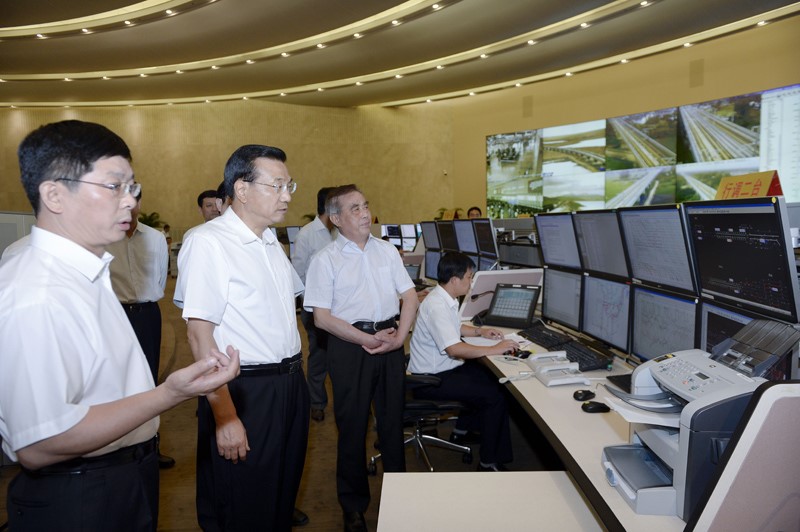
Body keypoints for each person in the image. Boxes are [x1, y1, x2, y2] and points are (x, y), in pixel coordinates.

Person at [0, 119, 239, 531]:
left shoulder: (85, 273)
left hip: (119, 477)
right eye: (114, 186)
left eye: (133, 187)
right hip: (80, 495)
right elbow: (40, 443)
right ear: (54, 194)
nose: (130, 201)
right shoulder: (35, 290)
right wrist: (170, 393)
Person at [175, 144, 309, 531]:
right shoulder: (209, 241)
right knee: (242, 504)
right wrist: (225, 416)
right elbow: (199, 336)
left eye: (289, 186)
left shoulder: (270, 241)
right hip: (244, 390)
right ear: (242, 189)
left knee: (279, 495)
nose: (286, 196)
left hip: (289, 384)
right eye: (277, 185)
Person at [304, 184, 419, 532]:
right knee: (352, 428)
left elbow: (410, 296)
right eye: (355, 208)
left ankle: (401, 496)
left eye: (366, 206)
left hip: (390, 342)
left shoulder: (387, 251)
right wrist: (366, 339)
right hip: (349, 347)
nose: (365, 213)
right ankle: (353, 507)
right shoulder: (325, 260)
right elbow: (322, 318)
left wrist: (400, 336)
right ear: (336, 218)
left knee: (392, 424)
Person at [408, 251, 517, 471]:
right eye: (469, 277)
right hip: (430, 380)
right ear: (454, 280)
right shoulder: (437, 305)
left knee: (489, 378)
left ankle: (462, 430)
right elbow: (454, 348)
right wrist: (495, 350)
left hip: (440, 370)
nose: (471, 282)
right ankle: (488, 462)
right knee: (494, 396)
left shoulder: (444, 297)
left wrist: (480, 331)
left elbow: (455, 327)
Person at [106, 190, 176, 469]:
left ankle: (150, 447)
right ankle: (116, 448)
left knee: (148, 380)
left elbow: (160, 279)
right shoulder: (104, 236)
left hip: (147, 314)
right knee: (115, 381)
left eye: (133, 199)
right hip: (113, 315)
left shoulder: (155, 238)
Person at [291, 186, 336, 423]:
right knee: (319, 357)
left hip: (342, 308)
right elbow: (297, 274)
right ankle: (317, 403)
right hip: (315, 307)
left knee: (343, 356)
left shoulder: (341, 232)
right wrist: (305, 305)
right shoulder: (307, 234)